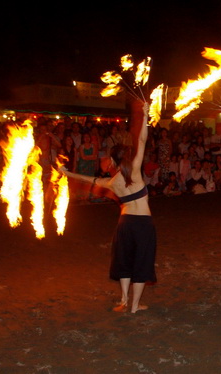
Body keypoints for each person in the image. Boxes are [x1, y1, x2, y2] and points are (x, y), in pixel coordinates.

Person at [61, 101, 156, 313]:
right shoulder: (136, 172)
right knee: (141, 262)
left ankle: (123, 299)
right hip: (142, 223)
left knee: (124, 261)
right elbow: (142, 139)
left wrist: (68, 173)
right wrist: (145, 117)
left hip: (124, 223)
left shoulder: (112, 182)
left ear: (112, 161)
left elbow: (91, 180)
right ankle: (134, 305)